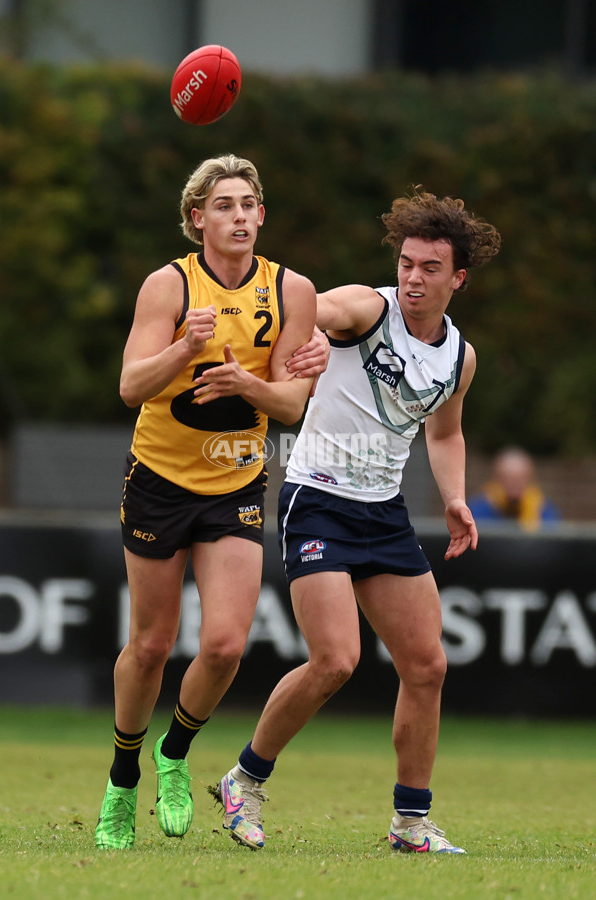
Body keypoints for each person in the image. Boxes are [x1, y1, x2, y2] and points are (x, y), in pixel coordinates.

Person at [210, 187, 501, 854]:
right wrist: (304, 340)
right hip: (318, 499)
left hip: (384, 513)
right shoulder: (369, 309)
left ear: (458, 277)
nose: (413, 278)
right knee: (336, 660)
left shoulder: (459, 357)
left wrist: (455, 495)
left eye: (430, 268)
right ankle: (244, 780)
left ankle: (410, 824)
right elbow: (315, 309)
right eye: (406, 263)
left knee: (427, 666)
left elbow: (446, 434)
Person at [95, 153, 327, 850]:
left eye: (248, 205)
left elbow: (290, 403)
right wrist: (183, 349)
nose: (239, 217)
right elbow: (132, 387)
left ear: (261, 216)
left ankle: (173, 755)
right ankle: (122, 777)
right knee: (152, 644)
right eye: (223, 205)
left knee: (225, 646)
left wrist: (243, 384)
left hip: (235, 484)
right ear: (198, 219)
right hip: (160, 480)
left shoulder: (292, 290)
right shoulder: (169, 286)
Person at [468, 446, 560, 531]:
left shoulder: (543, 510)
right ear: (496, 479)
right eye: (508, 478)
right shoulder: (477, 510)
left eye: (520, 479)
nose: (514, 485)